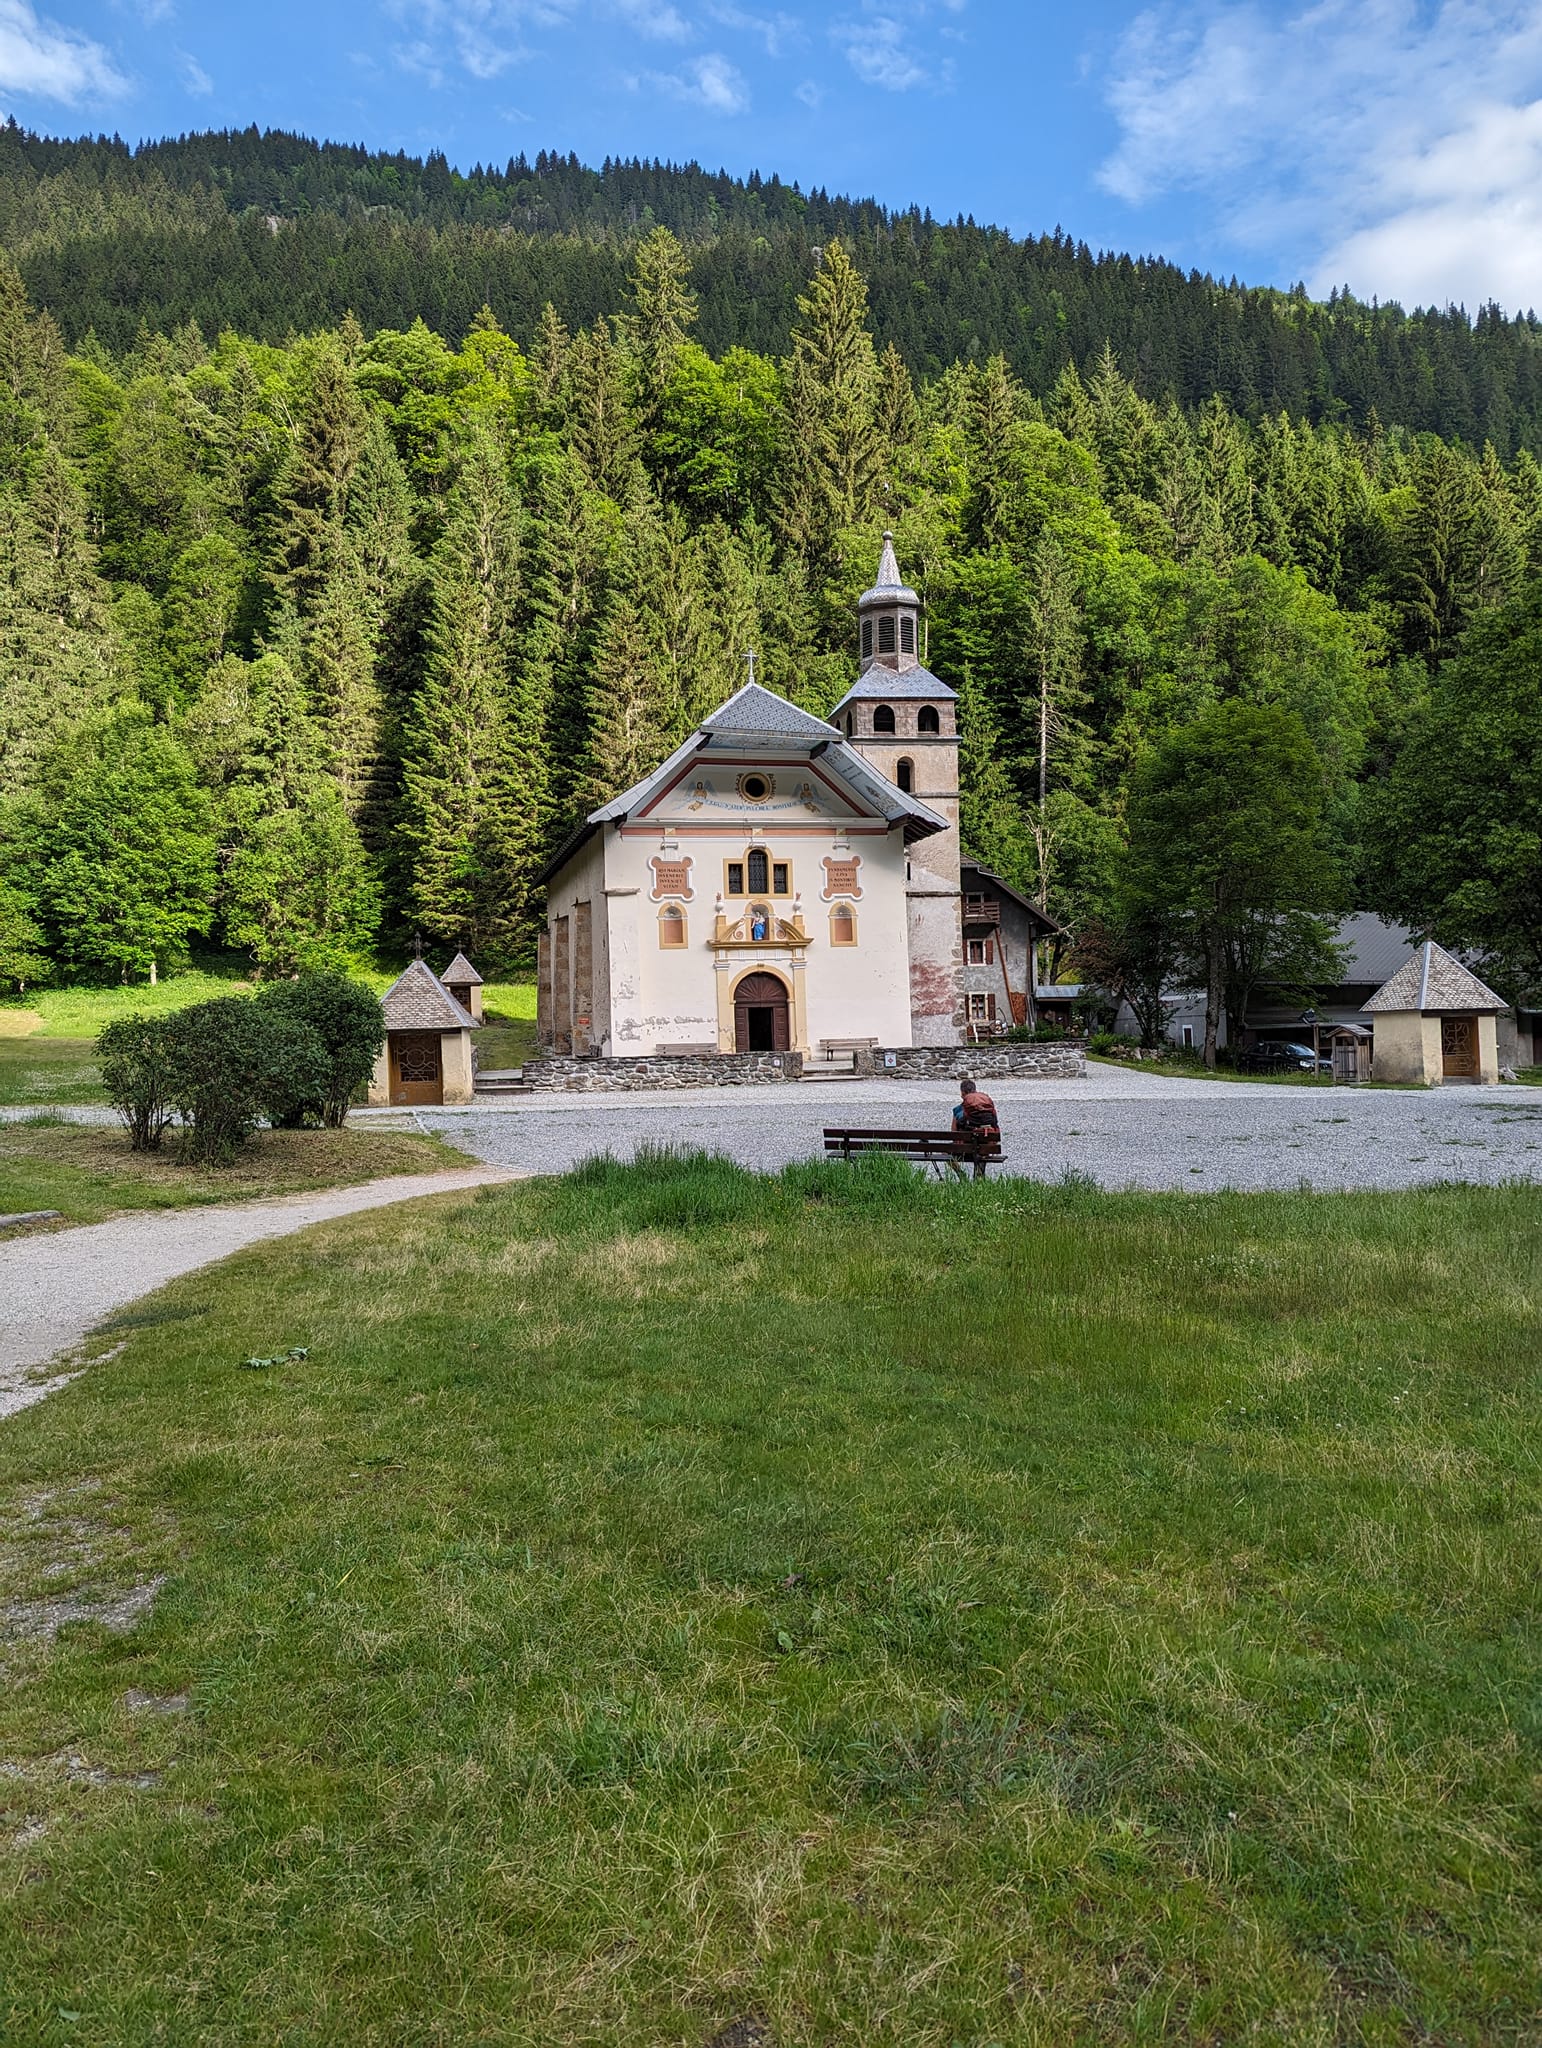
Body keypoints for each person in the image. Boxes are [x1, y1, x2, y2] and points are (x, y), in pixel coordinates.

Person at [950, 1075, 1000, 1179]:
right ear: (975, 1091)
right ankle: (979, 1177)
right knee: (982, 1151)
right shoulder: (987, 1108)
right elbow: (995, 1126)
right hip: (985, 1149)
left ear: (962, 1093)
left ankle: (961, 1175)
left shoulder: (957, 1110)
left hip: (964, 1150)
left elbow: (954, 1134)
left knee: (944, 1151)